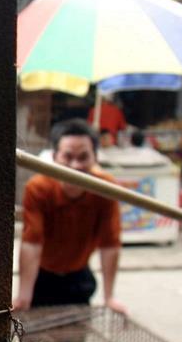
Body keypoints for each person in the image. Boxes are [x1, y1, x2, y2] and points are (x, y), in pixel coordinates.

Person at [12, 118, 127, 314]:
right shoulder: (39, 188)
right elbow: (32, 243)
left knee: (74, 340)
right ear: (55, 156)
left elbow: (110, 243)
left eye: (83, 157)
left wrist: (109, 297)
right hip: (43, 277)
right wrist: (24, 294)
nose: (75, 166)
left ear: (95, 157)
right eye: (68, 157)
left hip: (79, 277)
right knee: (36, 339)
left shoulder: (106, 188)